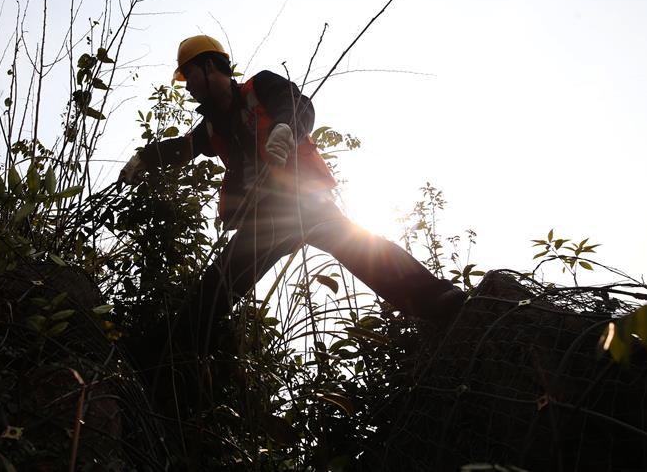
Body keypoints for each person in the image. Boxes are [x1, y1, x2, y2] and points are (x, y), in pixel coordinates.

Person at [120, 35, 464, 353]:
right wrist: (144, 159)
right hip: (265, 220)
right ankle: (165, 353)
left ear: (210, 67)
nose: (189, 86)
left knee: (363, 248)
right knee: (218, 287)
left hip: (303, 202)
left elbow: (298, 105)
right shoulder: (212, 125)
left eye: (190, 75)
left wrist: (287, 127)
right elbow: (183, 148)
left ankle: (438, 301)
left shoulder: (262, 86)